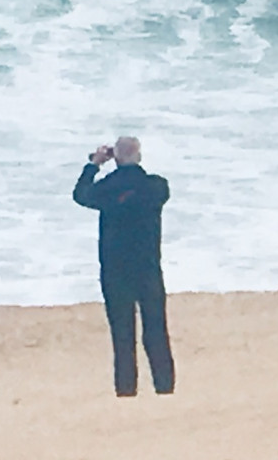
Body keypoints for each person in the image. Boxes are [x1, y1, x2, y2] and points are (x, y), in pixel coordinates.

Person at [73, 136, 175, 397]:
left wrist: (94, 165)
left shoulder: (107, 188)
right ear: (139, 156)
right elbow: (161, 193)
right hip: (148, 268)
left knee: (122, 334)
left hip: (115, 271)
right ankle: (165, 388)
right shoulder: (155, 187)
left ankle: (126, 390)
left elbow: (81, 194)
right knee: (156, 330)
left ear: (115, 158)